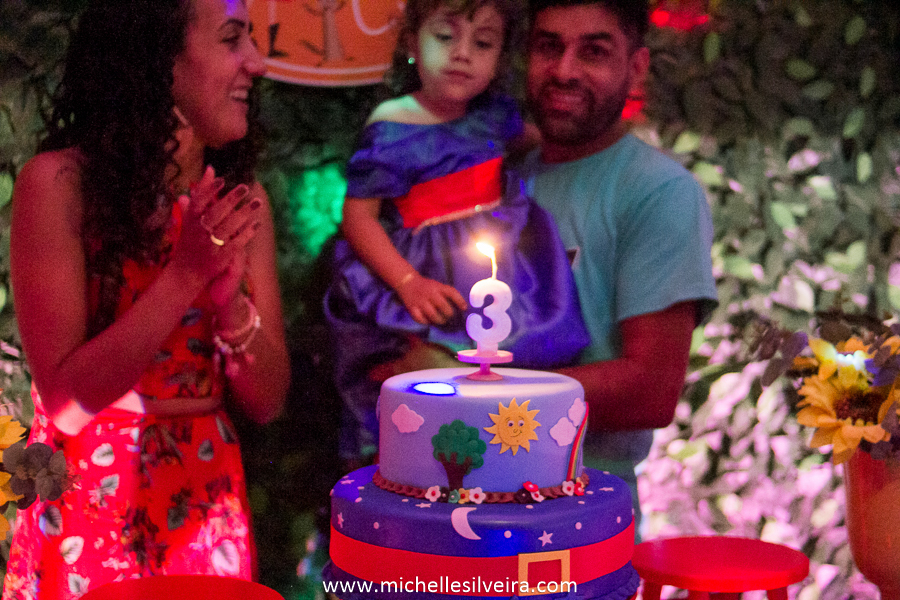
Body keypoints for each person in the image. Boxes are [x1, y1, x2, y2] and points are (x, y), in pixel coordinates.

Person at [3, 0, 290, 597]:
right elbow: (67, 407)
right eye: (231, 39)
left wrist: (231, 305)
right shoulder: (60, 185)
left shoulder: (242, 197)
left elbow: (267, 401)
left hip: (208, 496)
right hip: (88, 498)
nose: (256, 63)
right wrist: (184, 276)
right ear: (158, 58)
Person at [323, 0, 590, 465]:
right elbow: (358, 216)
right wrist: (407, 282)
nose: (462, 53)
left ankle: (514, 462)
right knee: (431, 390)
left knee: (508, 365)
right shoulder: (392, 124)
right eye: (445, 37)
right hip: (431, 268)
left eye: (483, 43)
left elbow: (529, 140)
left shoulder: (496, 115)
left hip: (498, 262)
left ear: (500, 56)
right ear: (412, 41)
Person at [518, 0, 718, 531]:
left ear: (636, 67)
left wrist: (468, 393)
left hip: (580, 525)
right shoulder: (500, 177)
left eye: (594, 52)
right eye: (549, 46)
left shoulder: (659, 192)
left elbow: (650, 390)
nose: (564, 71)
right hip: (454, 508)